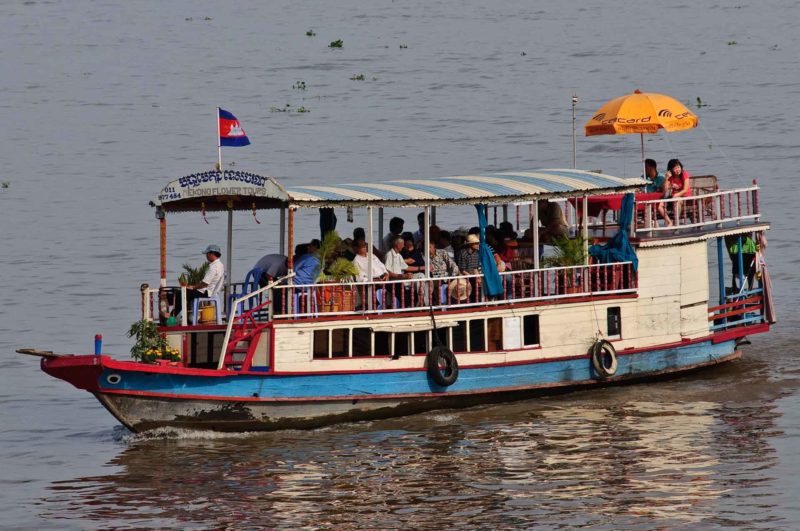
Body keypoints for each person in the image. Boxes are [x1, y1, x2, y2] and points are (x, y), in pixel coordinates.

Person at [174, 244, 226, 319]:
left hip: (206, 292)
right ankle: (179, 314)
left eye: (207, 254)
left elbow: (205, 284)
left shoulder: (214, 268)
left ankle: (174, 315)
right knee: (183, 293)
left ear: (212, 254)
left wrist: (193, 287)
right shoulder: (220, 265)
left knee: (180, 294)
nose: (206, 256)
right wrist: (192, 287)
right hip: (209, 291)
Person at [664, 158, 692, 225]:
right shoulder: (671, 177)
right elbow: (665, 190)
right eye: (675, 168)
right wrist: (666, 178)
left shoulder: (684, 174)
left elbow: (685, 189)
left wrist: (676, 195)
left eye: (678, 167)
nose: (677, 170)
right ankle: (668, 223)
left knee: (677, 201)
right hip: (673, 198)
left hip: (685, 197)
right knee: (661, 204)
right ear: (671, 170)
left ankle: (676, 222)